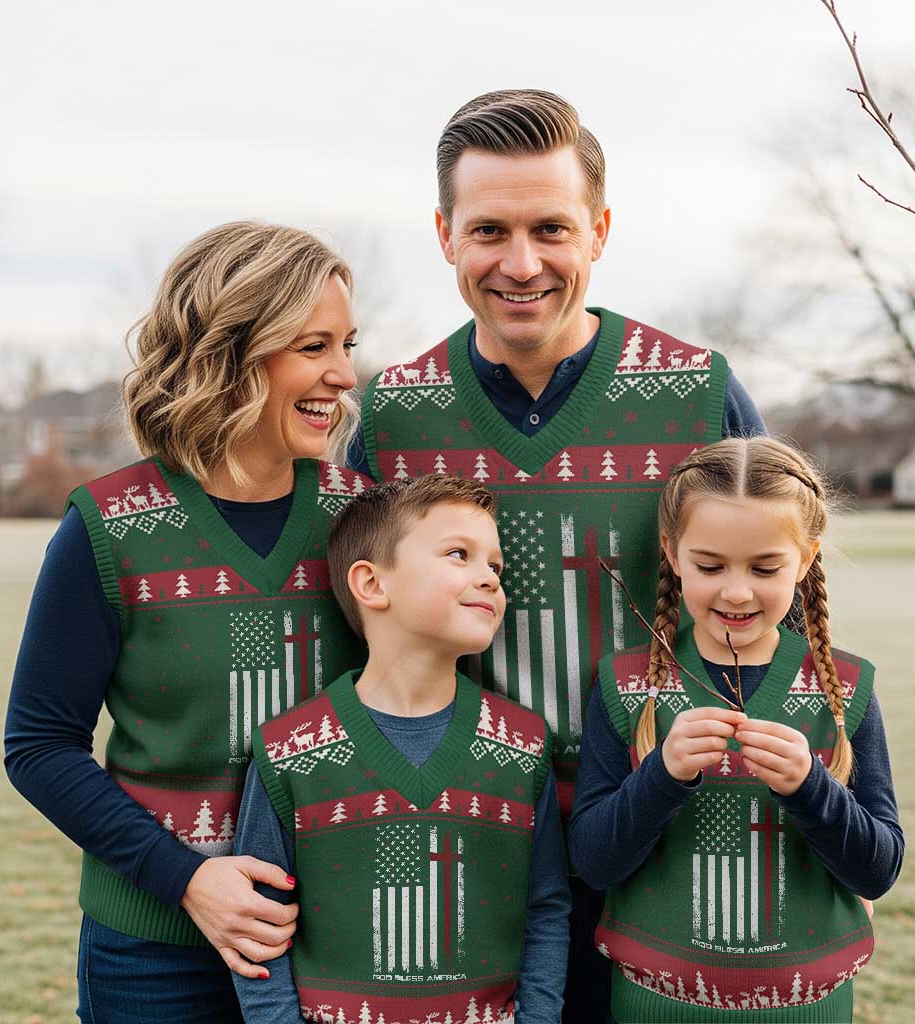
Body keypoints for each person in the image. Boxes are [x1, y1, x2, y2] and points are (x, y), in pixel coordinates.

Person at [347, 88, 766, 1022]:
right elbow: (359, 635)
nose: (522, 262)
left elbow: (783, 607)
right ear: (445, 234)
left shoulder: (696, 395)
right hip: (472, 838)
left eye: (552, 227)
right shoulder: (393, 418)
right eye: (489, 229)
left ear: (601, 230)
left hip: (676, 825)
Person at [4, 221, 374, 1023]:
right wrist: (188, 879)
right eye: (315, 347)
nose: (345, 375)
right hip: (150, 953)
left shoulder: (363, 522)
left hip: (333, 944)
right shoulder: (106, 528)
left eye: (348, 344)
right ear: (233, 354)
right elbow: (37, 745)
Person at [568, 437, 904, 1024]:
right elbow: (594, 863)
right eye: (710, 565)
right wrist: (662, 776)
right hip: (653, 1005)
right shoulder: (625, 686)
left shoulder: (844, 690)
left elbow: (877, 869)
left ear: (805, 560)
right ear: (671, 553)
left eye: (765, 567)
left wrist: (811, 786)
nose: (737, 590)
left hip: (810, 1007)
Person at [231, 474, 570, 1024]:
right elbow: (260, 928)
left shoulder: (524, 744)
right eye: (459, 554)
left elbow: (545, 908)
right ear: (371, 584)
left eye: (496, 567)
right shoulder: (287, 751)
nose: (489, 578)